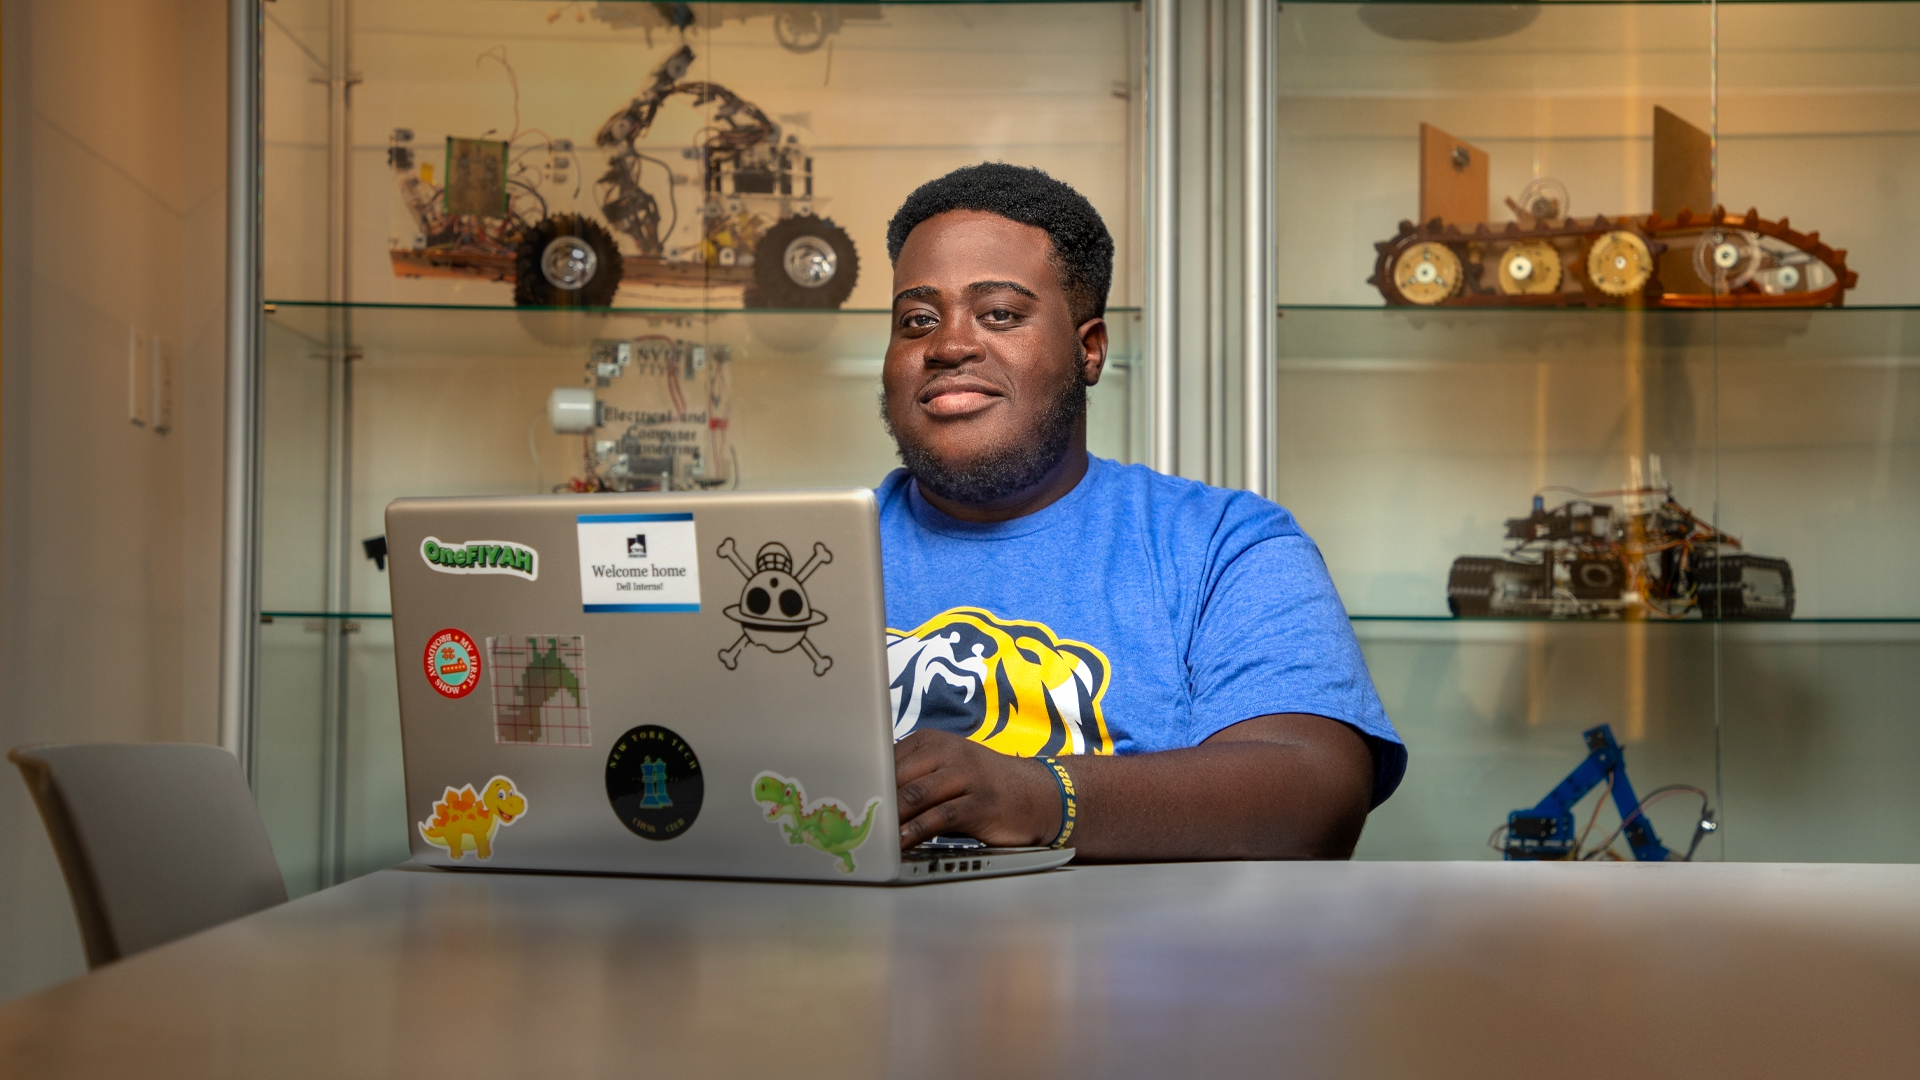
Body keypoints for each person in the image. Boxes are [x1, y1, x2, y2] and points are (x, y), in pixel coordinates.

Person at [880, 163, 1405, 861]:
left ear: (1089, 349)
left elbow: (1314, 793)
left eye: (1000, 313)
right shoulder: (804, 558)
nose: (947, 345)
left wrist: (1039, 796)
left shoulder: (1226, 545)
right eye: (917, 320)